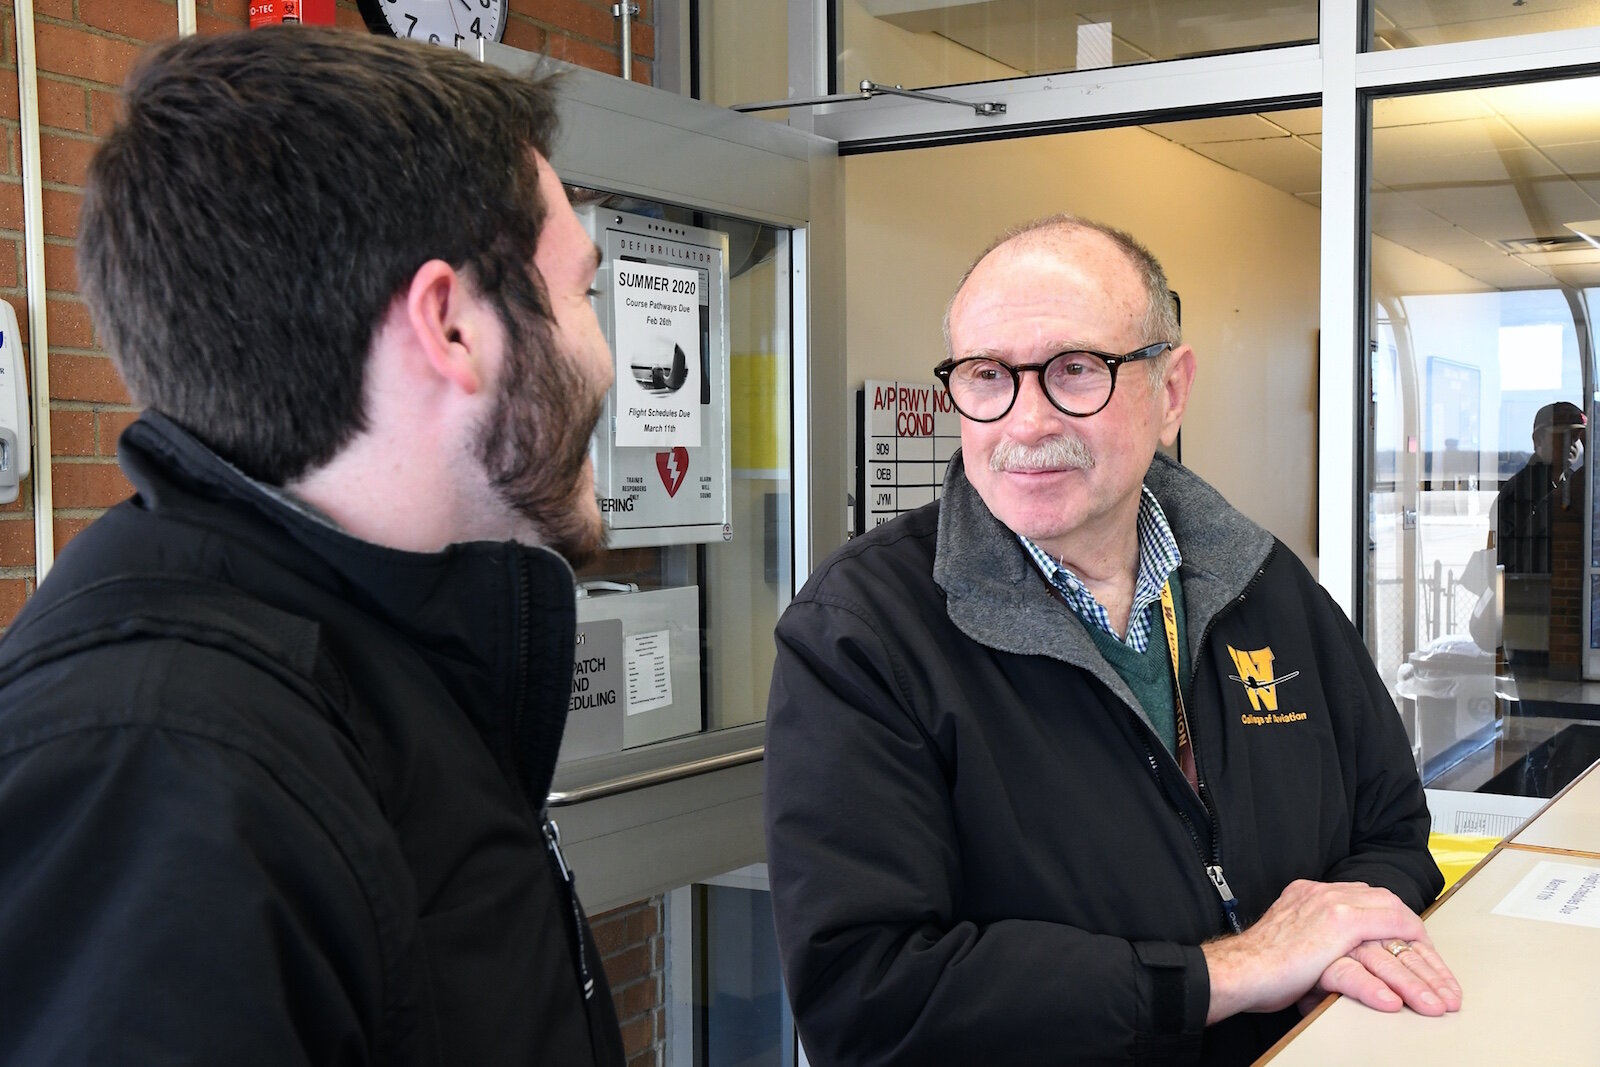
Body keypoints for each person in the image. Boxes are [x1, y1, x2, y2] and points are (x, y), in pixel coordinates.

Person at [0, 28, 625, 1065]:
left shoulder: (374, 658)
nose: (601, 355)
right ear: (451, 326)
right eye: (580, 294)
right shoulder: (159, 772)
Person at [765, 216, 1460, 1065]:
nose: (1024, 422)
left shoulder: (1265, 584)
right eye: (987, 376)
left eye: (1075, 370)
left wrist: (1341, 942)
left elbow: (1391, 829)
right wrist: (1229, 972)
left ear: (1170, 391)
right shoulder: (862, 633)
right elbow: (867, 998)